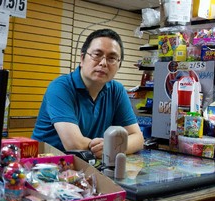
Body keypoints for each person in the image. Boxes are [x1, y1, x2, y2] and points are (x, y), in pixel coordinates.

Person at [32, 28, 144, 159]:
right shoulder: (60, 87)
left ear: (119, 65)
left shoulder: (116, 90)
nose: (103, 63)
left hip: (87, 167)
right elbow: (74, 144)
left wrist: (109, 147)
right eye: (97, 55)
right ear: (82, 58)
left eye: (112, 58)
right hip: (45, 168)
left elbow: (138, 139)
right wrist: (112, 147)